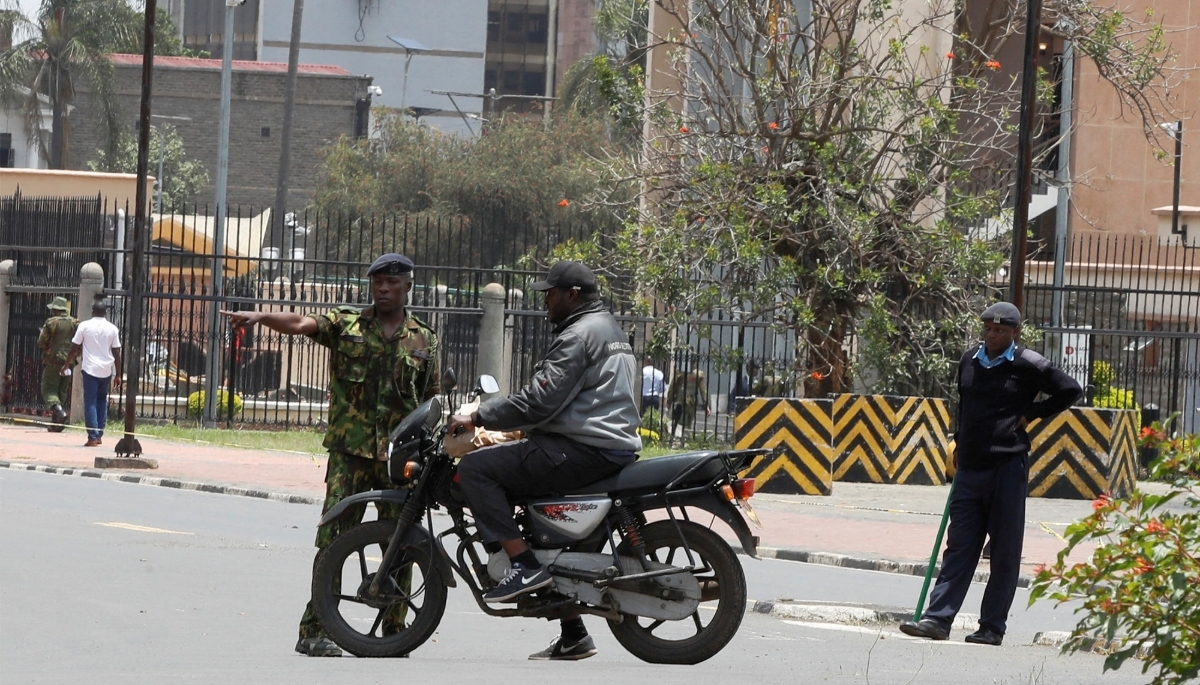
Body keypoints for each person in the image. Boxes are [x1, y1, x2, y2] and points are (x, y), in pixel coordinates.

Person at [222, 253, 440, 659]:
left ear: (408, 285)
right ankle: (314, 630)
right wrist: (262, 317)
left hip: (399, 457)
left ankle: (395, 632)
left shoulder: (424, 338)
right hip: (350, 453)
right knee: (334, 539)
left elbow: (430, 400)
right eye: (377, 282)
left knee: (402, 540)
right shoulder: (347, 324)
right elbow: (304, 325)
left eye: (392, 283)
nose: (384, 289)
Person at [447, 260, 641, 661]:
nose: (546, 300)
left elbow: (539, 400)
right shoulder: (607, 328)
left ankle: (523, 565)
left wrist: (478, 415)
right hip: (604, 445)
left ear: (572, 294)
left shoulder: (578, 335)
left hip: (585, 448)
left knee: (476, 469)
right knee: (540, 529)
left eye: (550, 293)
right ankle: (573, 632)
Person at [900, 302, 1081, 646]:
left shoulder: (1030, 363)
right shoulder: (969, 360)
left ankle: (991, 627)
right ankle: (937, 619)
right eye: (988, 329)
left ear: (1015, 332)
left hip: (1008, 467)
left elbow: (1070, 390)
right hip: (969, 468)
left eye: (1000, 330)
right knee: (959, 546)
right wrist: (959, 440)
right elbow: (964, 404)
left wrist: (1035, 412)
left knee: (1004, 551)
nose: (992, 335)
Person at [61, 301, 122, 447]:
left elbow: (74, 347)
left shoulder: (84, 326)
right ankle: (99, 434)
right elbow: (116, 352)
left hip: (90, 369)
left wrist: (66, 363)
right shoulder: (112, 329)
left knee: (90, 401)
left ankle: (93, 436)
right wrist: (119, 374)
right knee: (102, 400)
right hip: (106, 370)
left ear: (93, 311)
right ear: (105, 313)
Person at [38, 296, 77, 431]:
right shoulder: (74, 322)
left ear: (55, 309)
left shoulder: (52, 322)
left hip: (53, 360)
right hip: (70, 361)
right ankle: (57, 424)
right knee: (62, 390)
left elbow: (41, 341)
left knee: (48, 388)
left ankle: (60, 413)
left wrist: (47, 348)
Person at [668, 366, 709, 432]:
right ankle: (677, 435)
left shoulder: (698, 378)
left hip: (686, 402)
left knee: (683, 421)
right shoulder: (682, 376)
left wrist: (706, 405)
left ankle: (681, 436)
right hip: (685, 402)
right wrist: (669, 401)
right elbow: (672, 388)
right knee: (680, 420)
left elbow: (703, 391)